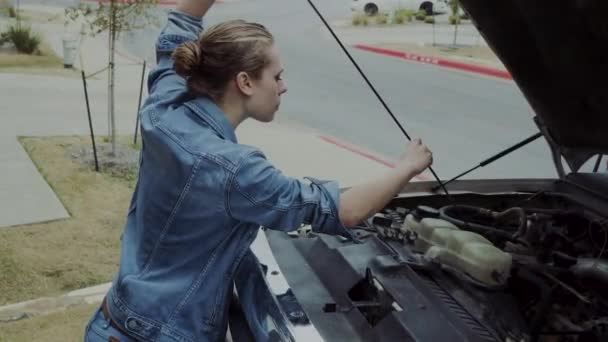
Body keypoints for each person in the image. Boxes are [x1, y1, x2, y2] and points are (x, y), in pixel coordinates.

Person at [83, 0, 433, 341]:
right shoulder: (237, 170)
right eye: (277, 76)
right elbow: (345, 210)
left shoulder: (166, 103)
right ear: (245, 82)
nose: (283, 86)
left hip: (112, 322)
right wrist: (407, 167)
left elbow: (180, 21)